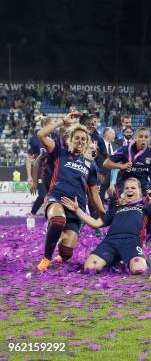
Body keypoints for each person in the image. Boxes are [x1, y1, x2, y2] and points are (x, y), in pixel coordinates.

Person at [36, 113, 106, 271]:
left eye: (83, 139)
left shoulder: (91, 165)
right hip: (57, 197)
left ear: (87, 142)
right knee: (58, 220)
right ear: (71, 139)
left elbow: (94, 193)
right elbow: (41, 134)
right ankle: (46, 258)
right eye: (77, 138)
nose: (80, 141)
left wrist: (103, 213)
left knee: (67, 253)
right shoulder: (59, 151)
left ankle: (59, 240)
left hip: (77, 207)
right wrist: (62, 122)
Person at [61, 179, 151, 273]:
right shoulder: (116, 208)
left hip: (131, 242)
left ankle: (149, 261)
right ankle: (115, 260)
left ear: (139, 191)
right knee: (90, 268)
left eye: (133, 188)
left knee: (138, 269)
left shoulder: (146, 206)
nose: (129, 190)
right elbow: (96, 223)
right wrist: (77, 210)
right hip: (110, 242)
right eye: (127, 188)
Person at [26, 117, 52, 229]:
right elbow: (29, 159)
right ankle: (32, 215)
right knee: (42, 195)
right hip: (41, 172)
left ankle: (49, 220)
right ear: (45, 125)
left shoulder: (55, 137)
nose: (53, 126)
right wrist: (29, 177)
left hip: (54, 173)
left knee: (52, 197)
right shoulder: (34, 139)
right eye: (52, 124)